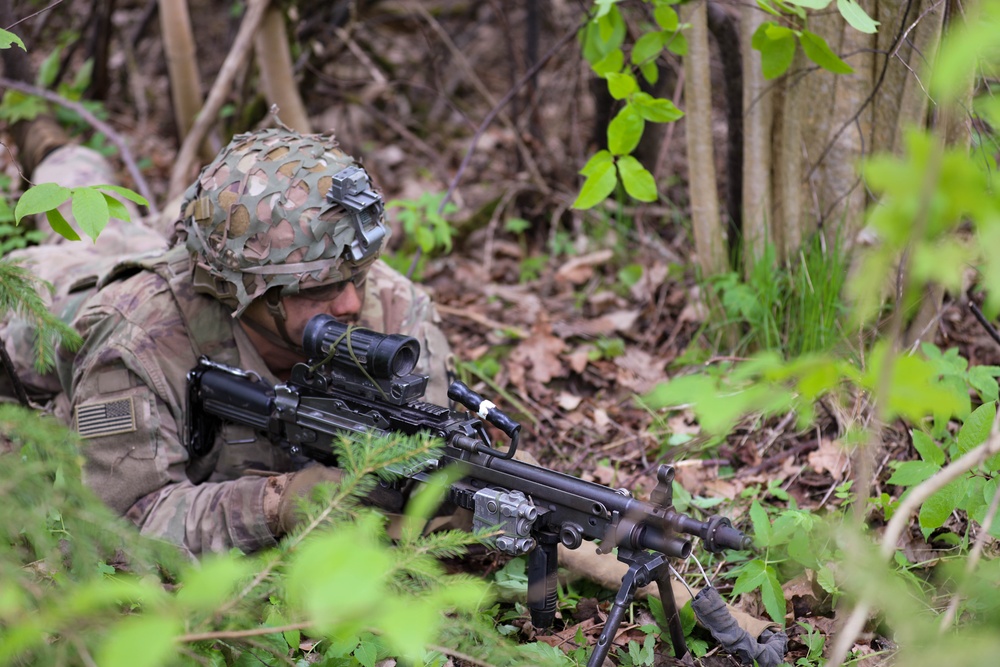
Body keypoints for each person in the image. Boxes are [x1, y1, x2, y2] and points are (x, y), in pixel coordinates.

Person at [1, 121, 454, 557]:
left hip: (208, 256)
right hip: (57, 298)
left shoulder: (392, 305)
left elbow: (430, 448)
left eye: (359, 275)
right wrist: (275, 504)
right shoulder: (136, 339)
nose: (351, 304)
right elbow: (118, 525)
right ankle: (48, 141)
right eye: (317, 290)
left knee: (142, 225)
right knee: (84, 219)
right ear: (236, 290)